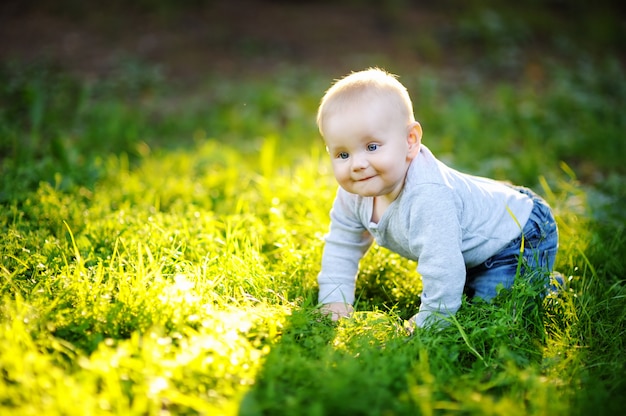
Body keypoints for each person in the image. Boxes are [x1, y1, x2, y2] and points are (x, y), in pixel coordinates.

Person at [316, 68, 559, 328]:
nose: (357, 164)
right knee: (462, 287)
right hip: (468, 243)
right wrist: (334, 300)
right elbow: (342, 244)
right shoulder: (354, 192)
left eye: (372, 147)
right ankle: (498, 275)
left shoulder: (428, 196)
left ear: (410, 141)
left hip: (516, 235)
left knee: (490, 316)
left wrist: (430, 322)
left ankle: (545, 284)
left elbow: (442, 268)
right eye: (342, 154)